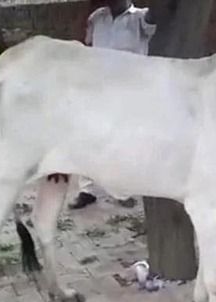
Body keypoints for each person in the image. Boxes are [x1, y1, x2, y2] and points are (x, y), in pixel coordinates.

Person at [69, 0, 157, 209]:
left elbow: (155, 17)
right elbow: (88, 48)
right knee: (87, 138)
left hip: (128, 91)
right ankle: (86, 190)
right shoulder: (97, 18)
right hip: (98, 89)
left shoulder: (140, 18)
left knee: (122, 142)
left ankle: (121, 192)